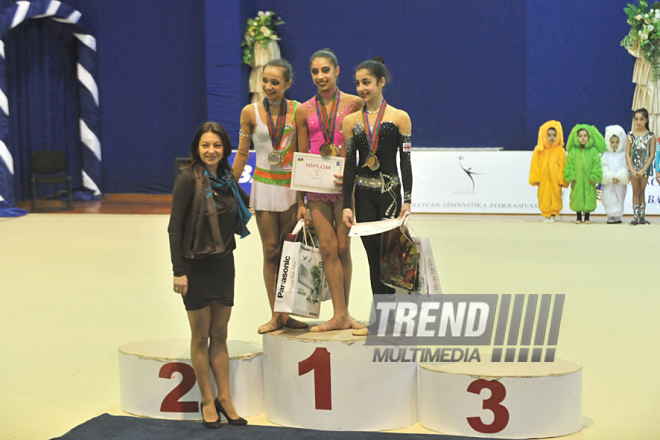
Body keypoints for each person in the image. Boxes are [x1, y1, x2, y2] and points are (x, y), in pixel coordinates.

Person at [168, 122, 250, 428]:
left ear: (224, 149)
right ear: (197, 149)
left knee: (221, 334)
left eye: (216, 145)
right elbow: (175, 227)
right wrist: (179, 272)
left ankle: (225, 398)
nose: (211, 151)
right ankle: (206, 398)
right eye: (205, 145)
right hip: (195, 266)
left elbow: (250, 203)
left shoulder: (227, 177)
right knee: (200, 335)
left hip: (223, 264)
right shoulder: (188, 179)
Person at [233, 58, 308, 333]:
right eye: (265, 81)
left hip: (289, 189)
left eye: (275, 82)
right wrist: (228, 184)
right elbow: (242, 152)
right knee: (270, 250)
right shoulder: (250, 112)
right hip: (264, 189)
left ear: (287, 84)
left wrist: (303, 200)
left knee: (291, 253)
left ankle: (288, 314)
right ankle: (275, 315)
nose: (268, 86)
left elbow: (302, 154)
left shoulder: (299, 111)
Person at [341, 57, 412, 336]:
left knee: (390, 258)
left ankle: (395, 319)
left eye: (366, 82)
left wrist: (407, 200)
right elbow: (350, 165)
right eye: (358, 83)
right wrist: (347, 204)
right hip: (364, 197)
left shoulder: (399, 118)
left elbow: (405, 162)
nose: (361, 88)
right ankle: (381, 321)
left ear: (381, 82)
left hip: (390, 195)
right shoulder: (351, 121)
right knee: (372, 258)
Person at [296, 49, 364, 332]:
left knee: (344, 247)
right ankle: (339, 314)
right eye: (315, 72)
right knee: (327, 248)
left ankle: (344, 314)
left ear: (337, 70)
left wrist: (354, 175)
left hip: (345, 188)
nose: (320, 76)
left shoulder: (354, 104)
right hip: (316, 188)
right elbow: (301, 153)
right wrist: (300, 199)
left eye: (325, 70)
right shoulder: (303, 110)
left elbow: (365, 146)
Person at [563, 124, 605, 224]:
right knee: (577, 197)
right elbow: (569, 166)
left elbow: (597, 165)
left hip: (589, 180)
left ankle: (587, 217)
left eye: (585, 136)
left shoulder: (593, 152)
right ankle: (578, 216)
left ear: (589, 137)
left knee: (589, 197)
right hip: (576, 181)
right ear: (576, 137)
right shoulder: (573, 152)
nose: (583, 138)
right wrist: (571, 177)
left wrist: (594, 176)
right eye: (580, 136)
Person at [529, 120, 568, 222]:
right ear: (543, 135)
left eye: (554, 135)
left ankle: (553, 214)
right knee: (543, 195)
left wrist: (561, 179)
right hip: (543, 179)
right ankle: (546, 214)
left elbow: (563, 166)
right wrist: (536, 178)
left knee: (556, 195)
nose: (551, 137)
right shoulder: (539, 150)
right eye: (549, 135)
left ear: (558, 135)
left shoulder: (560, 150)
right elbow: (535, 165)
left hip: (555, 179)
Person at [625, 108, 655, 225]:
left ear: (646, 120)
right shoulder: (630, 135)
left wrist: (643, 170)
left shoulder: (650, 136)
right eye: (636, 119)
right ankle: (635, 217)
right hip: (633, 167)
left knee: (642, 191)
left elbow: (652, 155)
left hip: (645, 168)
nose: (638, 122)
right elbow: (627, 154)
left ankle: (642, 217)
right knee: (635, 190)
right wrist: (632, 169)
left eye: (641, 119)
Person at [601, 125, 629, 224]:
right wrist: (609, 177)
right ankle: (610, 215)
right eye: (612, 142)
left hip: (619, 183)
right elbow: (603, 167)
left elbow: (626, 168)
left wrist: (620, 177)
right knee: (609, 196)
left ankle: (618, 215)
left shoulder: (624, 155)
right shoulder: (605, 155)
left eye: (617, 142)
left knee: (620, 197)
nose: (614, 144)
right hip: (609, 182)